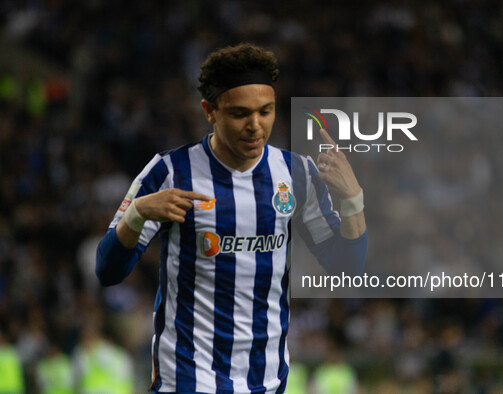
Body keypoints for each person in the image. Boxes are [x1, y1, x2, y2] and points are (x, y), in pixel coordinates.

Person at [96, 42, 367, 393]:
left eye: (266, 111)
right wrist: (136, 213)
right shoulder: (170, 171)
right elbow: (107, 270)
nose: (256, 125)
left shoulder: (296, 173)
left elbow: (348, 269)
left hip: (265, 381)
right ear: (210, 111)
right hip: (188, 379)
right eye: (240, 113)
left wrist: (352, 198)